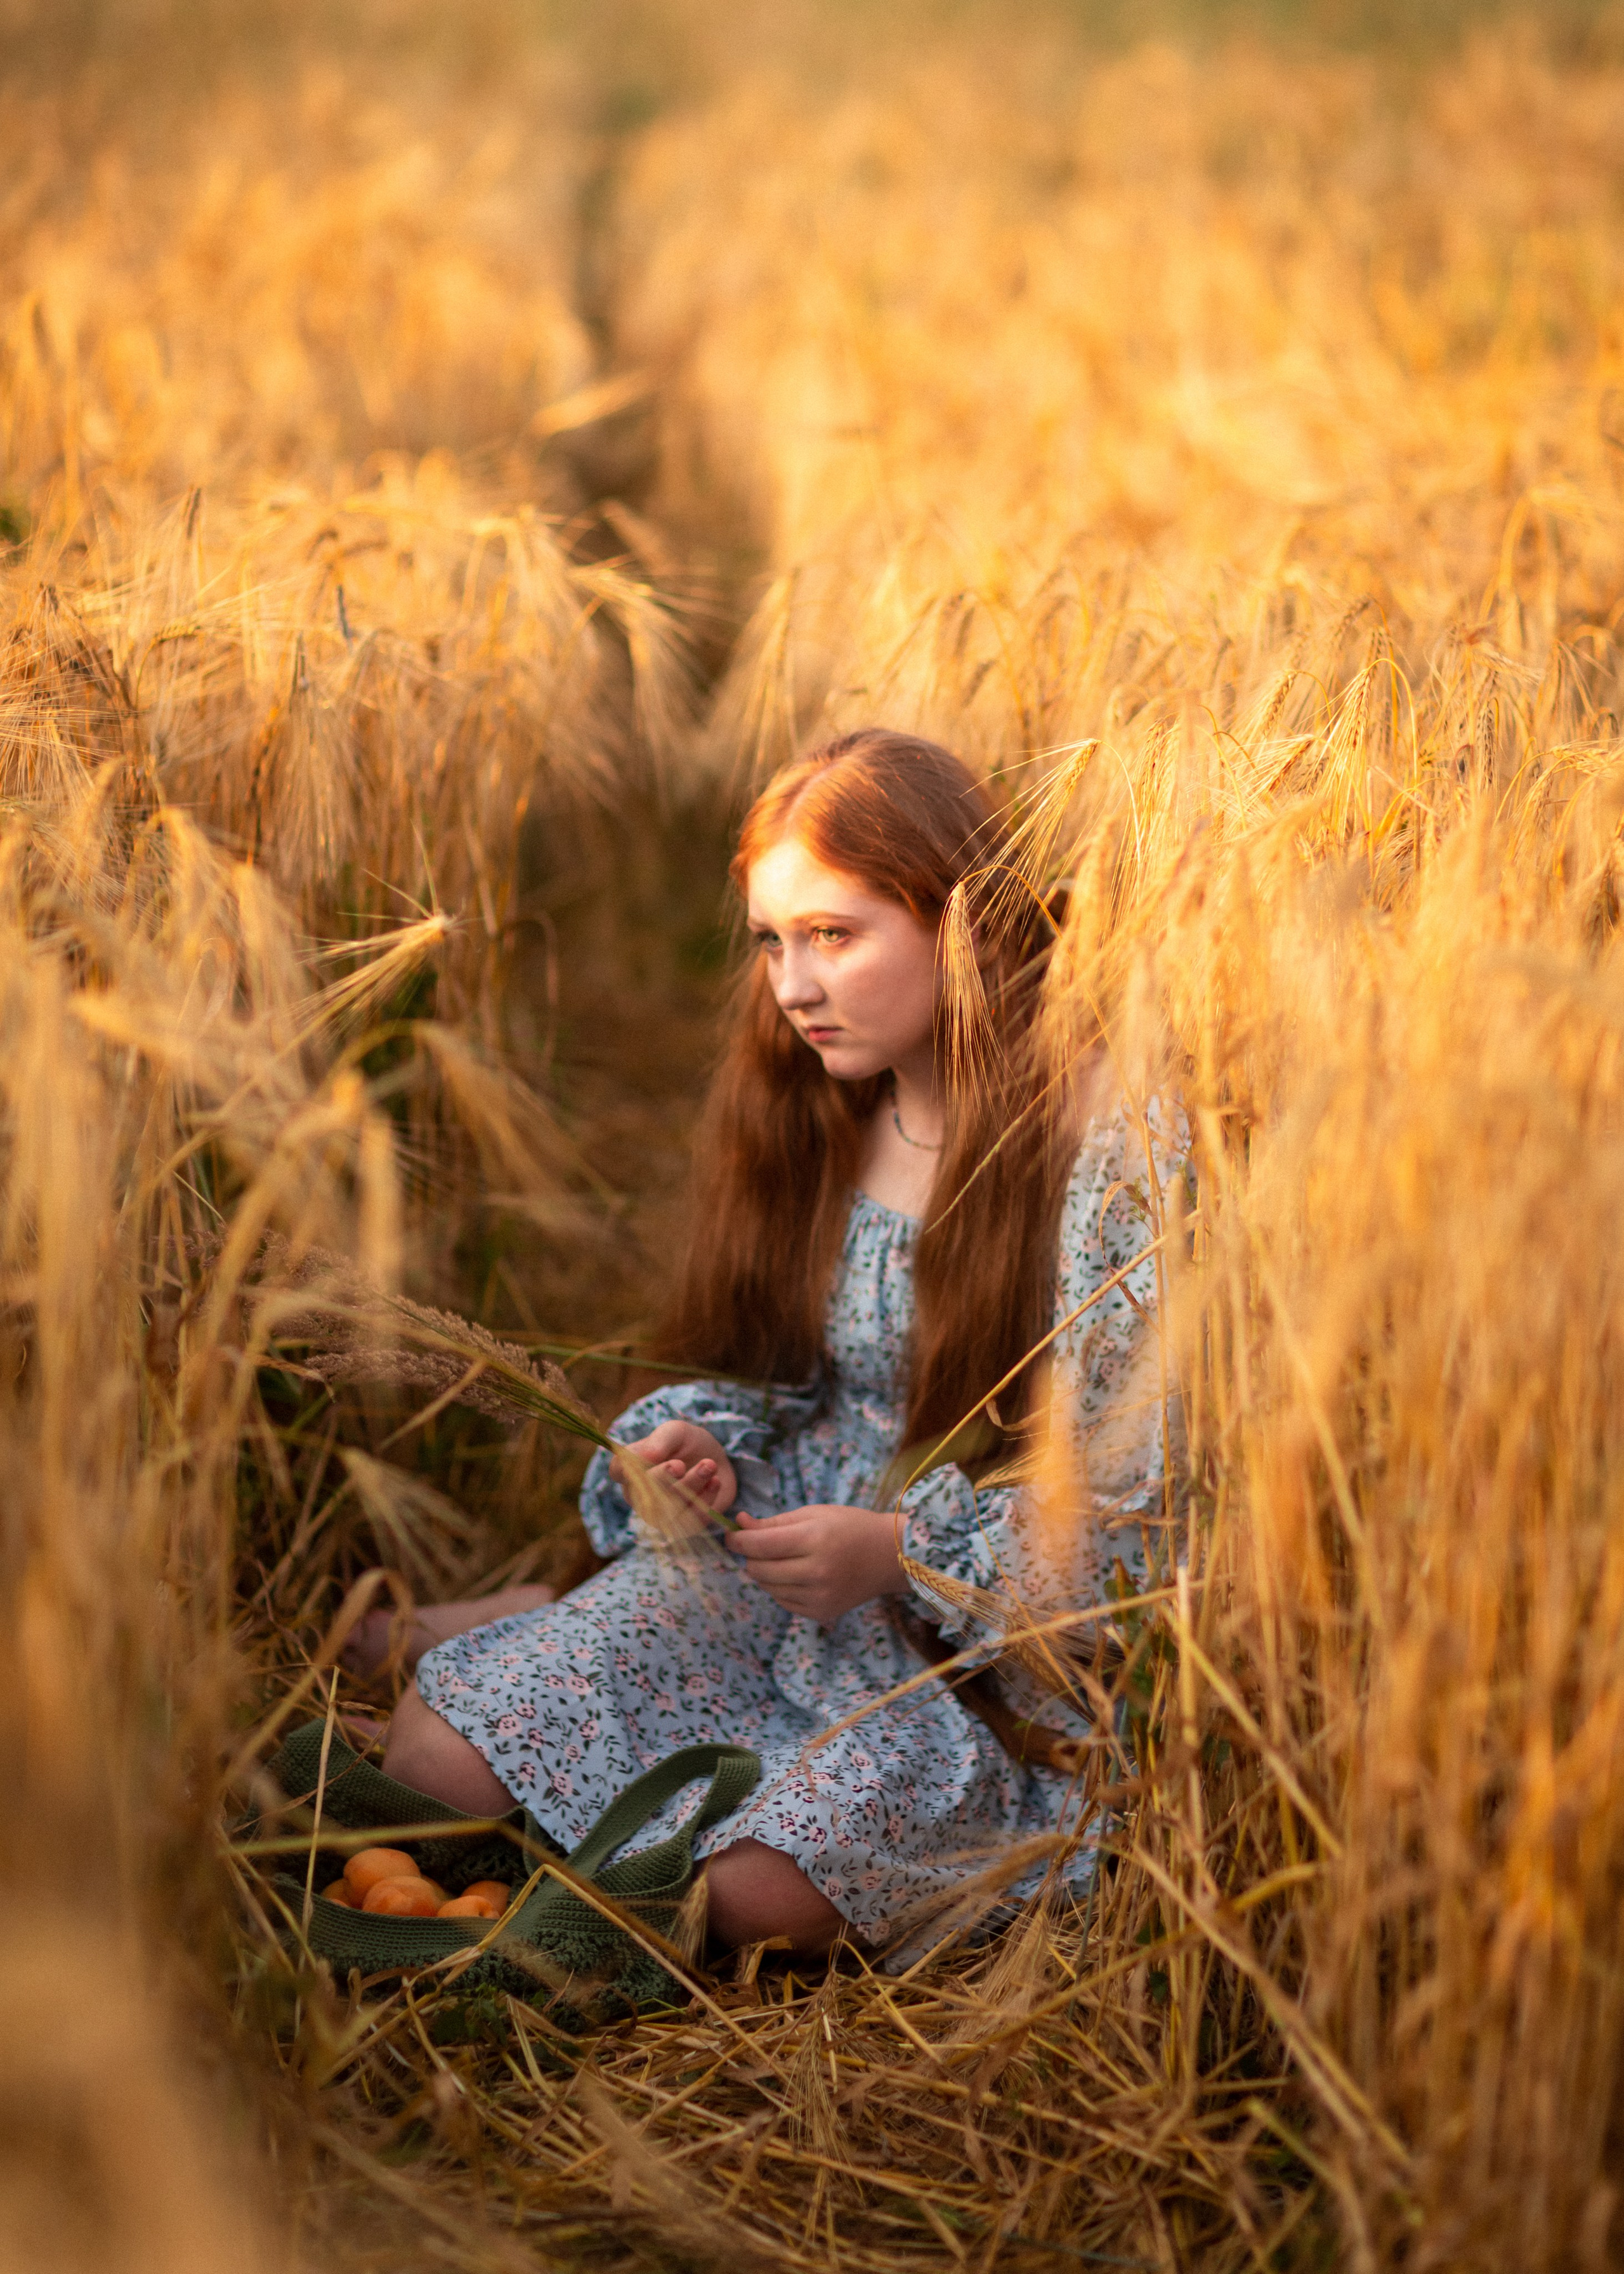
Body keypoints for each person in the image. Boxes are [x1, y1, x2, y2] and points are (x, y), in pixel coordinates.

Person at [372, 728, 1177, 1959]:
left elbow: (1139, 1510)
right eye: (770, 940)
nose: (791, 986)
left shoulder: (1101, 1140)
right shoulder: (816, 1098)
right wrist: (693, 1445)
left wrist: (906, 1554)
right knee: (430, 1764)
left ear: (958, 919)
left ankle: (540, 1617)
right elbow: (756, 1360)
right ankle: (562, 1620)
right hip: (779, 1551)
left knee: (750, 1898)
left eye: (834, 936)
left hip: (970, 1653)